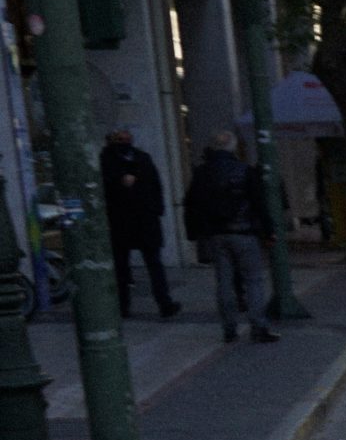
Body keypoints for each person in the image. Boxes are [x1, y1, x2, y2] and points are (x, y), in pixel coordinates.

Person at [181, 131, 278, 344]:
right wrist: (269, 231)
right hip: (244, 232)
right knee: (253, 280)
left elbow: (191, 203)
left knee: (223, 281)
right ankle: (258, 325)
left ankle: (229, 328)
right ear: (233, 148)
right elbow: (259, 203)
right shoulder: (245, 171)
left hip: (216, 234)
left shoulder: (202, 172)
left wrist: (193, 232)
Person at [99, 128, 177, 319]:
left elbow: (155, 185)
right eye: (119, 138)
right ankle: (124, 305)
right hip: (122, 220)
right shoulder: (108, 160)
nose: (124, 141)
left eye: (127, 138)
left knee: (152, 264)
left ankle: (163, 302)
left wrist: (156, 209)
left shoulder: (142, 158)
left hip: (142, 219)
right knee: (122, 267)